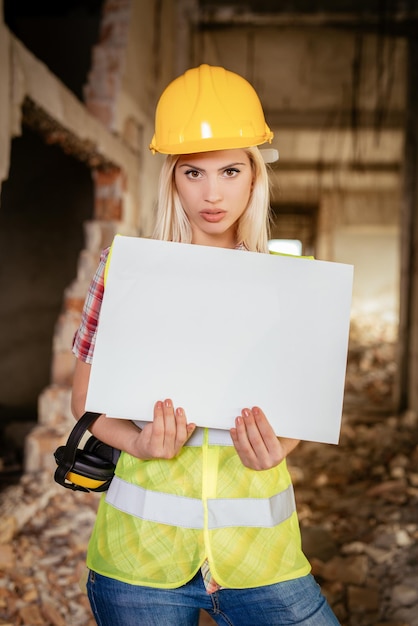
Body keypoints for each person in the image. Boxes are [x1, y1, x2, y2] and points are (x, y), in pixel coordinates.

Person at [71, 64, 340, 626]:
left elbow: (298, 409)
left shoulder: (293, 287)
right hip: (141, 563)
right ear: (172, 177)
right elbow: (87, 402)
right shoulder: (124, 271)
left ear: (253, 176)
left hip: (260, 562)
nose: (212, 193)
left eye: (230, 170)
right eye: (193, 173)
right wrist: (139, 446)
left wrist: (281, 447)